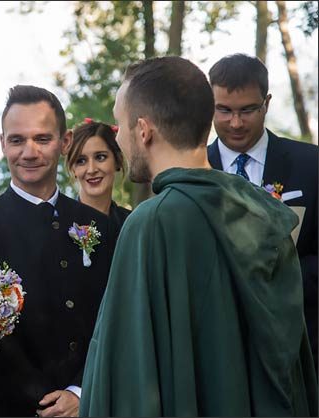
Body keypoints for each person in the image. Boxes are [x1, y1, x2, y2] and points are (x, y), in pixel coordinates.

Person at [80, 56, 318, 416]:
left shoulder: (151, 223)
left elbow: (127, 377)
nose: (120, 138)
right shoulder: (264, 213)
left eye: (120, 124)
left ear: (143, 130)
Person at [0, 85, 115, 417]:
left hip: (90, 404)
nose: (29, 152)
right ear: (2, 144)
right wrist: (47, 401)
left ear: (65, 141)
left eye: (42, 139)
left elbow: (112, 315)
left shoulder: (99, 226)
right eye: (17, 140)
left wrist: (81, 391)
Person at [206, 53, 318, 369]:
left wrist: (280, 275)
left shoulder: (311, 165)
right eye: (224, 110)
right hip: (218, 354)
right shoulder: (193, 170)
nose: (236, 123)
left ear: (266, 103)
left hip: (301, 350)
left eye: (247, 110)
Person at [66, 119, 131, 248]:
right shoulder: (60, 224)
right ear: (73, 169)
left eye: (100, 157)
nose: (91, 169)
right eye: (81, 160)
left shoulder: (132, 224)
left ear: (118, 160)